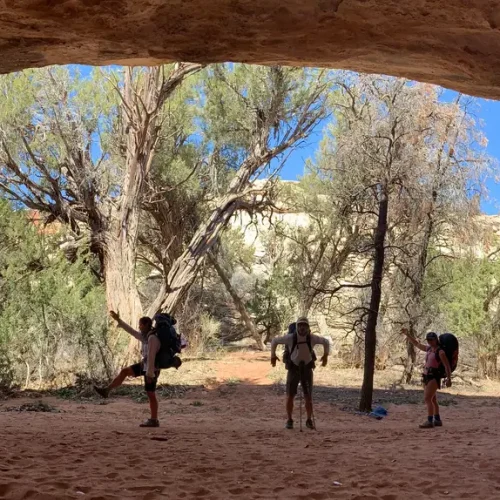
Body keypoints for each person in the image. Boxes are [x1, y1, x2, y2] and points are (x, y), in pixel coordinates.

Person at [94, 311, 161, 428]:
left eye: (141, 325)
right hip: (144, 366)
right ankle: (107, 390)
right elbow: (131, 331)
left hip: (152, 369)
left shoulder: (152, 339)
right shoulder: (145, 337)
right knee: (125, 371)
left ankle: (154, 420)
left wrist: (150, 374)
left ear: (146, 325)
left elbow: (152, 357)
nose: (139, 327)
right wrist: (118, 320)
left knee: (151, 394)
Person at [271, 316, 330, 430]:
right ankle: (289, 420)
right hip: (294, 368)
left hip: (307, 368)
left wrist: (326, 355)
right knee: (290, 396)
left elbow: (326, 342)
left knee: (308, 397)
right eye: (300, 325)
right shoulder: (290, 338)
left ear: (308, 327)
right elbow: (274, 341)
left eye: (305, 325)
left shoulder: (312, 338)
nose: (302, 328)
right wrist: (272, 355)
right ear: (297, 326)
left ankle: (308, 420)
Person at [401, 328, 452, 429]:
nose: (429, 342)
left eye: (431, 340)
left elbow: (447, 366)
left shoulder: (440, 352)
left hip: (434, 376)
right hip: (426, 376)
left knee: (427, 398)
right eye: (428, 340)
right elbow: (417, 344)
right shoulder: (429, 349)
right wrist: (408, 335)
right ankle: (437, 419)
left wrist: (449, 379)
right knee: (433, 399)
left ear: (436, 340)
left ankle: (429, 421)